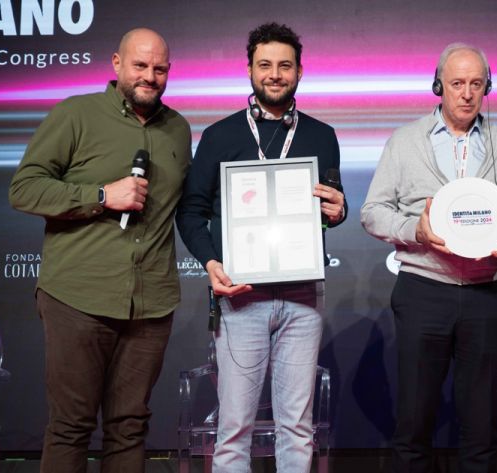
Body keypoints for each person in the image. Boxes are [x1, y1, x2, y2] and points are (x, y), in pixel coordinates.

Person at [8, 28, 191, 473]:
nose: (150, 76)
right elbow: (24, 189)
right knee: (71, 426)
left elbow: (190, 208)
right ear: (116, 64)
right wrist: (103, 196)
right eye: (140, 65)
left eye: (159, 68)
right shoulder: (76, 114)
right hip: (78, 298)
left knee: (130, 428)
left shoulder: (179, 129)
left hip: (150, 305)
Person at [175, 22, 346, 473]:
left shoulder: (322, 136)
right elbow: (190, 211)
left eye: (284, 66)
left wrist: (339, 209)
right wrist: (211, 262)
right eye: (265, 64)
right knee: (234, 429)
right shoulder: (219, 136)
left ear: (299, 72)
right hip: (240, 293)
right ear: (249, 70)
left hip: (303, 295)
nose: (275, 74)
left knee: (297, 426)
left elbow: (332, 205)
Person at [361, 43, 497, 473]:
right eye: (457, 83)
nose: (467, 93)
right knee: (414, 423)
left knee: (481, 428)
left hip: (486, 295)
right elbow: (373, 212)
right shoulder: (405, 141)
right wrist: (413, 231)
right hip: (423, 292)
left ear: (487, 87)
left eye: (476, 84)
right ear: (439, 86)